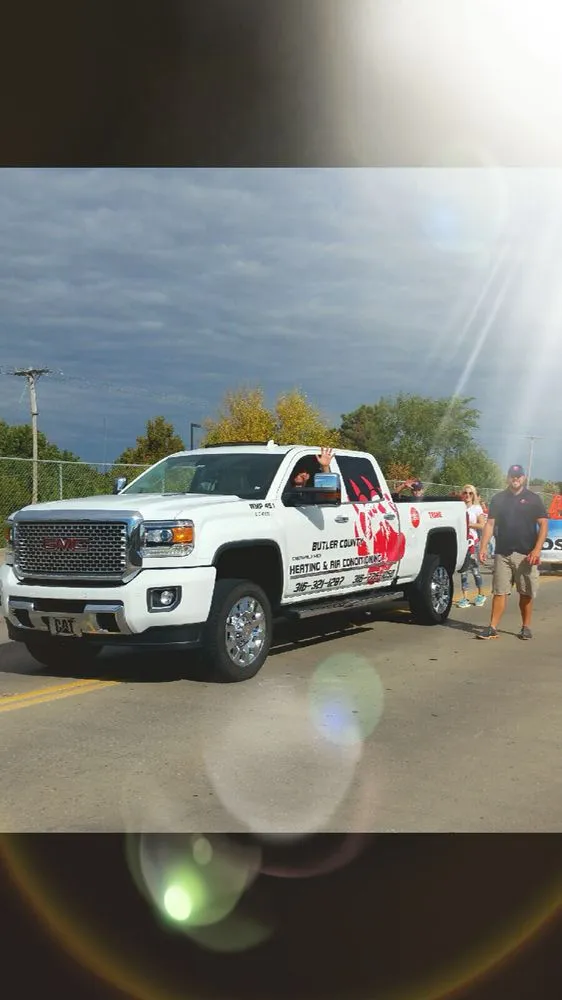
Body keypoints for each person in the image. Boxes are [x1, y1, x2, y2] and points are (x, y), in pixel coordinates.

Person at [476, 464, 548, 640]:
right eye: (512, 476)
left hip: (526, 554)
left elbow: (543, 524)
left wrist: (537, 549)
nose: (515, 479)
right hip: (503, 552)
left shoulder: (533, 499)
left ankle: (526, 627)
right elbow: (490, 524)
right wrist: (483, 546)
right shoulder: (499, 499)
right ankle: (492, 627)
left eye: (518, 476)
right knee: (499, 591)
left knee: (525, 592)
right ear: (508, 478)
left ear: (523, 478)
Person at [457, 484, 487, 608]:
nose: (467, 495)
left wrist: (468, 524)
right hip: (461, 541)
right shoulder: (459, 508)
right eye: (465, 493)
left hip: (472, 542)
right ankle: (464, 598)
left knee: (474, 569)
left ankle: (480, 594)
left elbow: (482, 525)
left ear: (473, 495)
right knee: (463, 571)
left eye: (470, 493)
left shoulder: (477, 508)